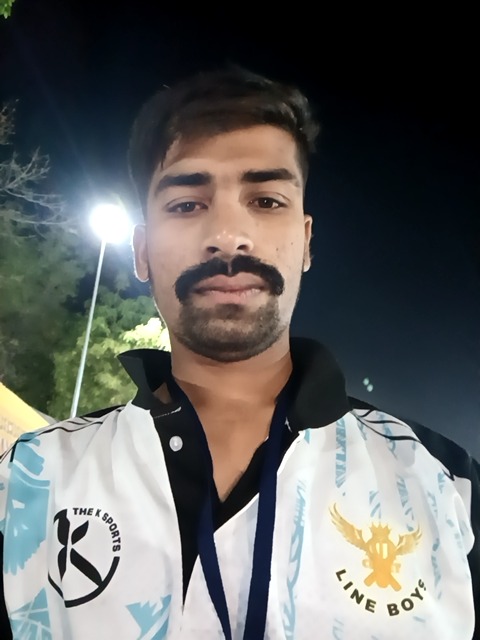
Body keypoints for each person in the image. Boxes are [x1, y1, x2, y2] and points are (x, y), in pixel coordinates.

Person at [0, 67, 478, 640]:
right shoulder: (27, 481)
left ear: (306, 242)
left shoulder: (448, 486)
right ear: (141, 251)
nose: (228, 235)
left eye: (267, 199)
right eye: (186, 204)